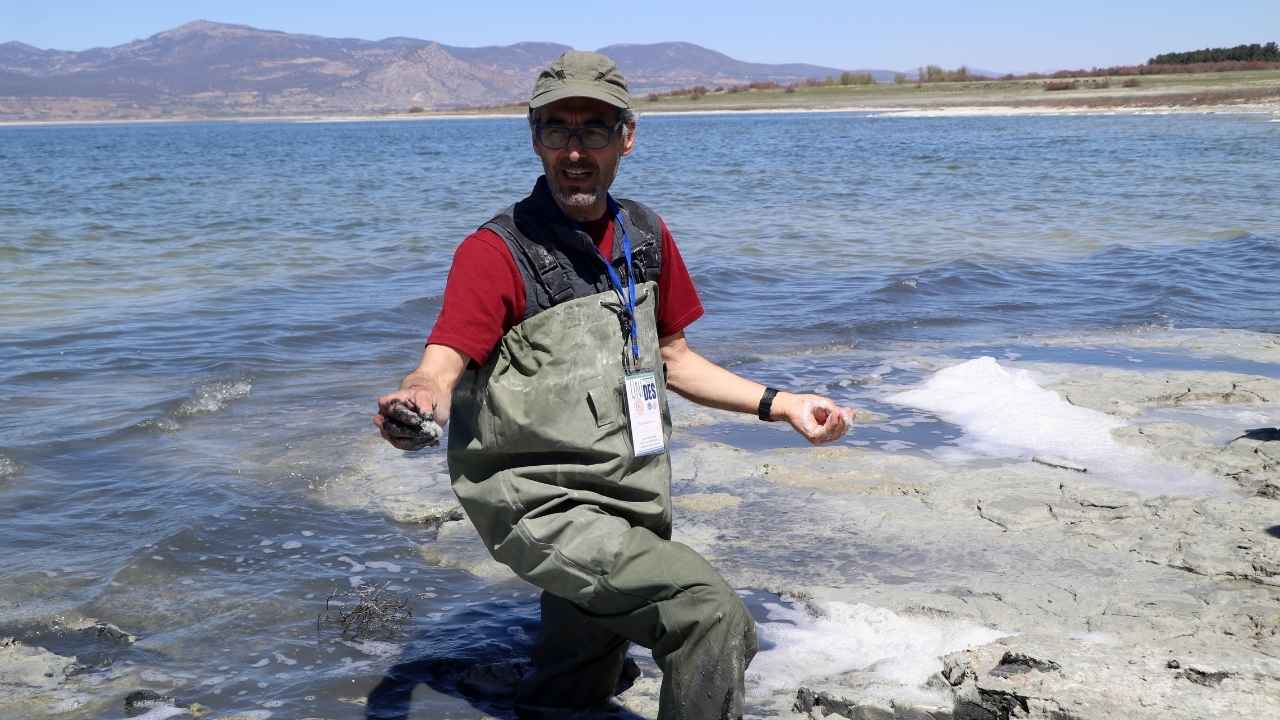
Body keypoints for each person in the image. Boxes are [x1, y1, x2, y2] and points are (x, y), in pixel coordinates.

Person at [374, 50, 854, 720]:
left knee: (575, 685)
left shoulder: (645, 235)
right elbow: (444, 358)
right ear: (535, 138)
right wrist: (419, 398)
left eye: (593, 129)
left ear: (626, 138)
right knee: (708, 617)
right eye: (557, 130)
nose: (575, 151)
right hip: (544, 508)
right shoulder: (495, 251)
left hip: (629, 495)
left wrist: (782, 404)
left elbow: (675, 360)